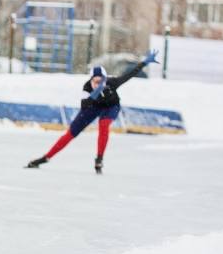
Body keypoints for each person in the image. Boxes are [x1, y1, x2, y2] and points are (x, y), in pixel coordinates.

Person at [26, 49, 160, 174]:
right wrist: (95, 93)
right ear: (90, 81)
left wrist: (144, 63)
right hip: (92, 107)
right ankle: (46, 157)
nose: (98, 83)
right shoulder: (87, 88)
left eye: (101, 80)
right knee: (71, 133)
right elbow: (84, 105)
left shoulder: (112, 83)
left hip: (110, 106)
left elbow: (129, 74)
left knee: (104, 125)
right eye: (95, 82)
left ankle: (99, 159)